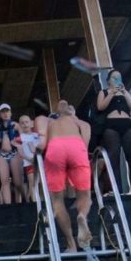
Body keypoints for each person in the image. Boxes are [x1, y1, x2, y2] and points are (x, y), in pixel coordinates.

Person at [35, 100, 92, 252]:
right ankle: (81, 216)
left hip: (55, 148)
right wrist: (83, 149)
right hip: (76, 145)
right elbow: (86, 127)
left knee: (57, 200)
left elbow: (41, 145)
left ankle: (71, 244)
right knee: (85, 194)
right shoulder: (74, 120)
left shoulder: (45, 120)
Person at [96, 70, 131, 194]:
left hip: (127, 124)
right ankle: (116, 189)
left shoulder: (125, 92)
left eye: (119, 78)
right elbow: (100, 106)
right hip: (111, 125)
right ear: (108, 80)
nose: (117, 80)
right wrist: (111, 93)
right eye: (114, 78)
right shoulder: (104, 92)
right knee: (114, 157)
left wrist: (124, 92)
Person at [0, 103, 24, 204]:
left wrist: (15, 134)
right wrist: (0, 136)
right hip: (2, 154)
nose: (5, 113)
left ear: (10, 113)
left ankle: (22, 201)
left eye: (7, 111)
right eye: (3, 112)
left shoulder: (16, 125)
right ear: (0, 115)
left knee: (17, 182)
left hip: (14, 153)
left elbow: (24, 139)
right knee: (4, 181)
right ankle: (8, 205)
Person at [18, 115, 40, 202]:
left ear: (31, 123)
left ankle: (40, 200)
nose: (25, 124)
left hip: (39, 163)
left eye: (27, 122)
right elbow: (20, 153)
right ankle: (34, 202)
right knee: (32, 183)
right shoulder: (20, 138)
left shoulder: (37, 135)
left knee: (40, 183)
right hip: (29, 163)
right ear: (20, 125)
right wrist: (29, 159)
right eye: (22, 123)